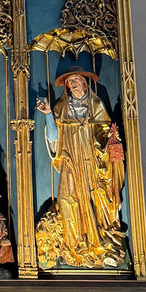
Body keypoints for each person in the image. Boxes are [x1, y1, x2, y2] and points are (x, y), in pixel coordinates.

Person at [34, 60, 127, 269]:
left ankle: (99, 245)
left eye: (76, 80)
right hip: (70, 161)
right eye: (70, 82)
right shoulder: (60, 107)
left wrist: (111, 140)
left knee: (96, 201)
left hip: (92, 164)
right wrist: (48, 115)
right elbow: (53, 137)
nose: (73, 84)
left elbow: (105, 135)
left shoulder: (97, 105)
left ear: (84, 83)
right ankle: (74, 245)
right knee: (67, 201)